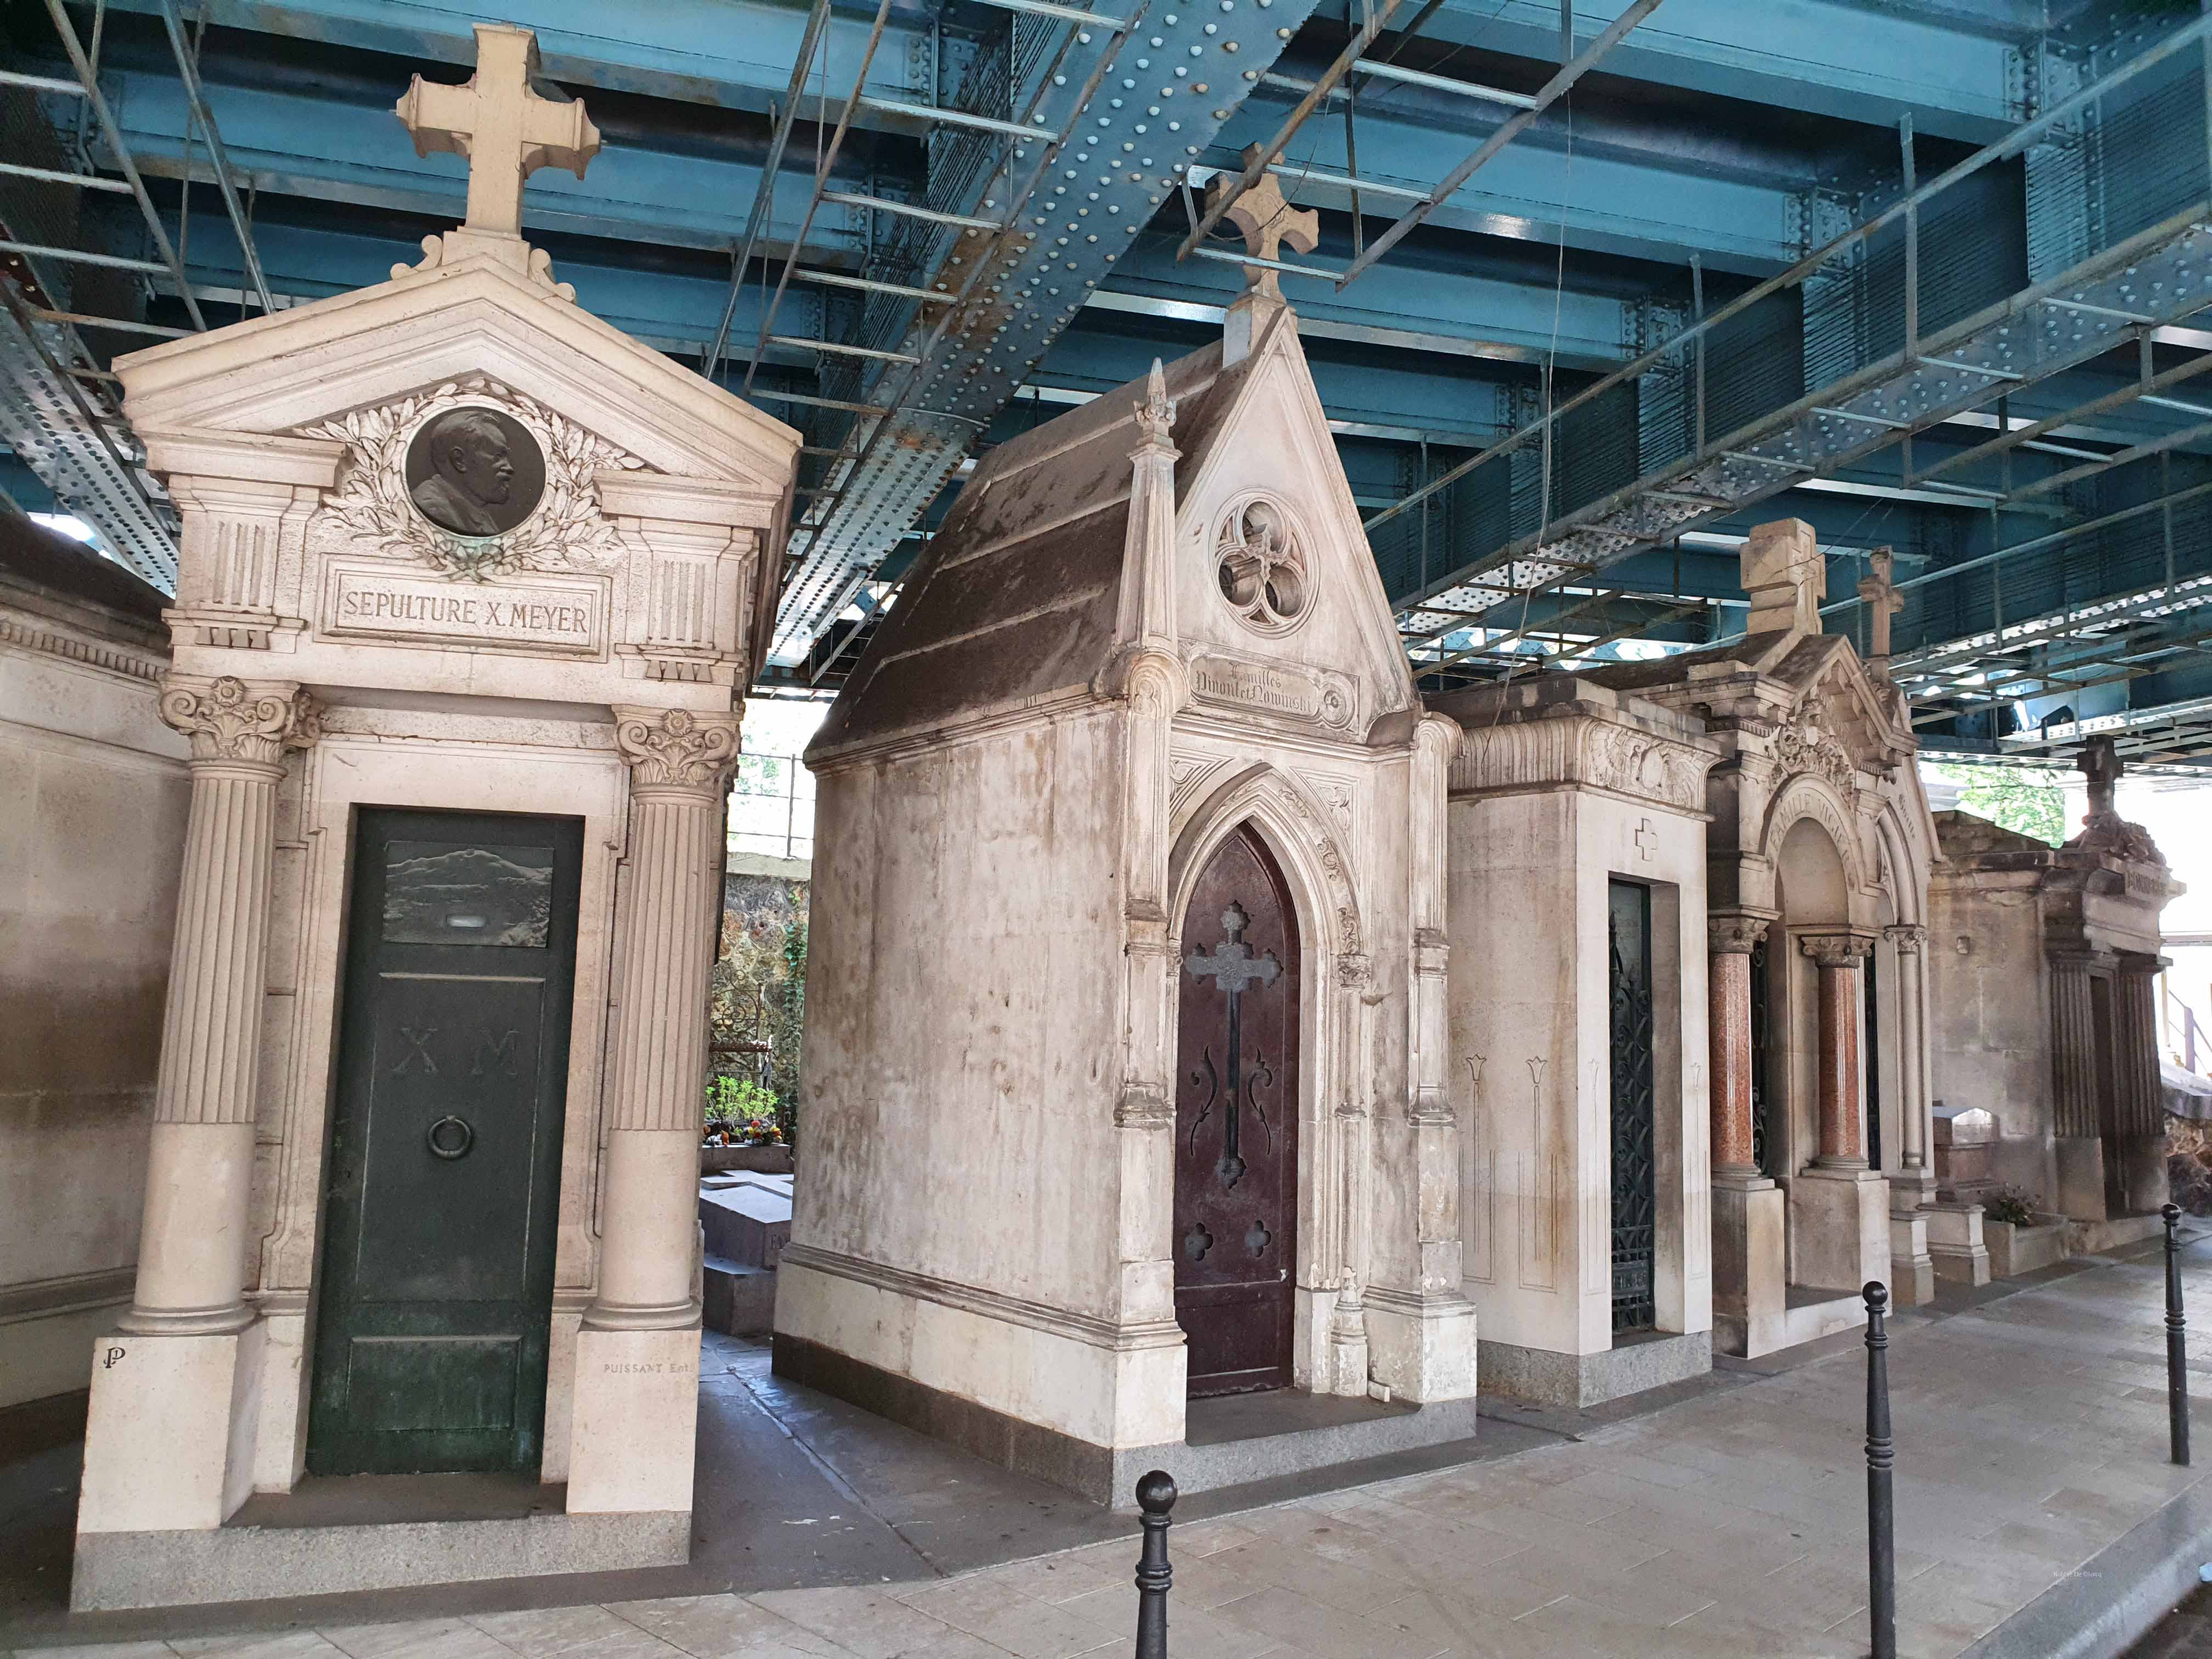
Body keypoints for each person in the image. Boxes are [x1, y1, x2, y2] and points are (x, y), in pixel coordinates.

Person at [410, 409, 518, 535]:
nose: (510, 468)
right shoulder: (433, 508)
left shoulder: (475, 510)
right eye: (498, 457)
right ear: (459, 460)